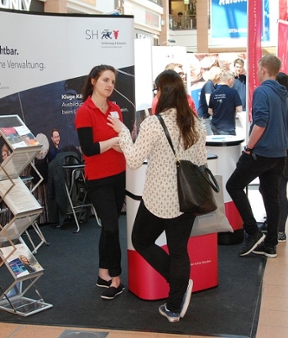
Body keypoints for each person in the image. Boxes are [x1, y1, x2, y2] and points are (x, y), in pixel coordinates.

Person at [107, 69, 206, 323]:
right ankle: (174, 305)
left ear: (163, 93)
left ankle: (177, 287)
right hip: (188, 199)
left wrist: (121, 131)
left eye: (157, 89)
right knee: (178, 250)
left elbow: (133, 160)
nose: (156, 94)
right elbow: (200, 163)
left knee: (141, 240)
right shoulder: (196, 123)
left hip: (159, 199)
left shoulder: (154, 122)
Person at [225, 55, 288, 258]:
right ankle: (271, 244)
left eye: (257, 67)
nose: (255, 71)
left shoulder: (262, 91)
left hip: (261, 152)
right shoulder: (284, 96)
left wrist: (249, 147)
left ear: (263, 69)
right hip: (280, 153)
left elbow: (261, 122)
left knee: (233, 186)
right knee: (271, 196)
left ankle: (253, 231)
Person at [74, 64, 126, 300]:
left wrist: (119, 140)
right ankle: (115, 278)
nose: (109, 85)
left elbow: (123, 140)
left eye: (112, 82)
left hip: (119, 174)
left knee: (109, 226)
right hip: (98, 178)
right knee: (112, 226)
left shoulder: (115, 109)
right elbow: (89, 149)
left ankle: (102, 274)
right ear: (93, 81)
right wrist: (113, 140)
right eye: (105, 80)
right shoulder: (84, 111)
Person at [275, 72, 288, 243]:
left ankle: (280, 229)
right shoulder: (287, 102)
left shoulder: (284, 103)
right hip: (285, 149)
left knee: (280, 192)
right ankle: (276, 226)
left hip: (282, 151)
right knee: (275, 191)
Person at [208, 70, 242, 135]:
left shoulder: (214, 93)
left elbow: (210, 111)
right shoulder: (233, 92)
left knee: (217, 144)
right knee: (228, 145)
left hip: (215, 125)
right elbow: (239, 109)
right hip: (228, 127)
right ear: (230, 80)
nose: (233, 83)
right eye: (233, 81)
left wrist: (218, 115)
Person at [197, 66, 221, 135]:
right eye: (219, 75)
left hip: (207, 116)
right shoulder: (209, 85)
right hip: (205, 116)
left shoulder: (212, 85)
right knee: (209, 137)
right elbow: (209, 101)